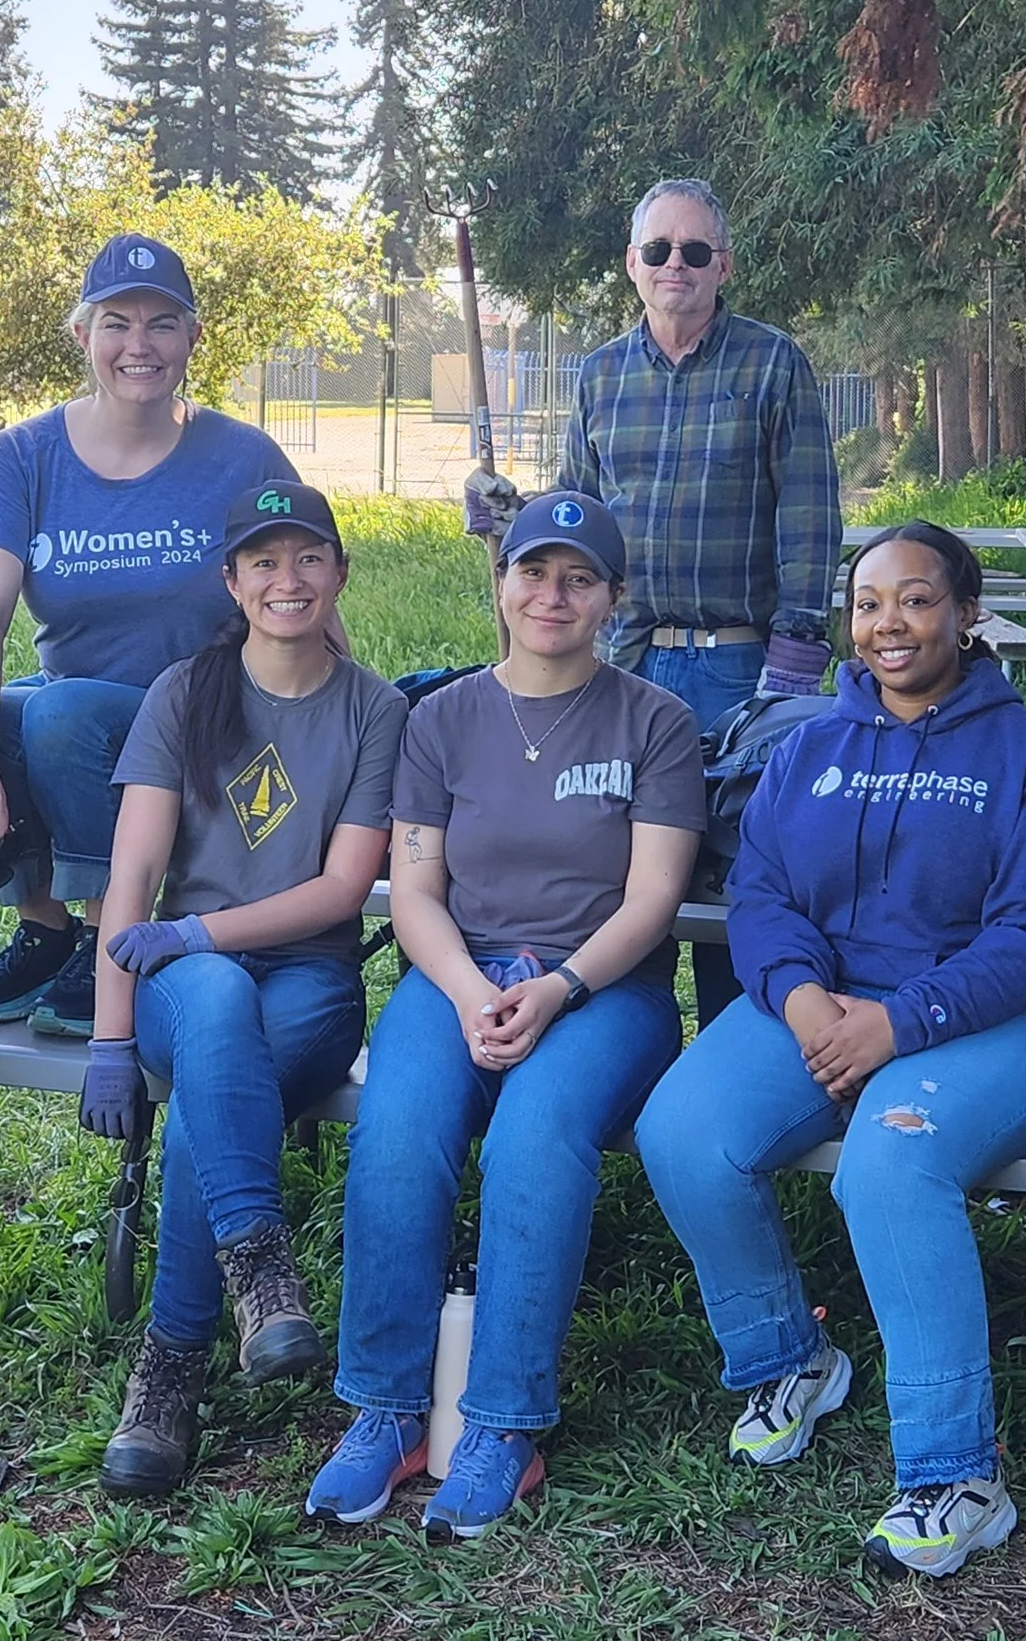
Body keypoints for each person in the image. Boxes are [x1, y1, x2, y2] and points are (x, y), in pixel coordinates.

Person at [634, 521, 1026, 1580]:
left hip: (991, 1027)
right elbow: (760, 895)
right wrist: (799, 1002)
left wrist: (899, 1025)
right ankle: (788, 1358)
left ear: (969, 614)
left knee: (890, 1163)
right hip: (820, 1008)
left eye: (919, 599)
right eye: (869, 602)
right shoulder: (808, 747)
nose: (890, 623)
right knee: (682, 1130)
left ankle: (955, 1475)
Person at [303, 492, 706, 1542]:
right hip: (458, 976)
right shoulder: (438, 719)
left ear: (613, 599)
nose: (552, 595)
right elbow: (416, 889)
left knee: (532, 1142)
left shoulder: (654, 721)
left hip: (604, 991)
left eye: (579, 577)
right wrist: (475, 991)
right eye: (534, 572)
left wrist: (558, 987)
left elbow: (653, 898)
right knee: (396, 1134)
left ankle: (503, 1424)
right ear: (501, 582)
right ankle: (386, 1410)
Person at [74, 480, 407, 1499]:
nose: (287, 579)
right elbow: (129, 884)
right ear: (231, 581)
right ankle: (259, 1272)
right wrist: (110, 1036)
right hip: (182, 981)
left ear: (339, 574)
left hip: (310, 976)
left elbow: (345, 887)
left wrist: (199, 926)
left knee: (199, 1120)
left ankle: (169, 1372)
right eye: (263, 561)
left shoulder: (375, 708)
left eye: (308, 557)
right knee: (213, 1000)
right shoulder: (186, 691)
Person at [470, 177, 839, 1019]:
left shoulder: (773, 364)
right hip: (625, 663)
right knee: (615, 855)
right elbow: (575, 521)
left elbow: (811, 515)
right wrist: (508, 512)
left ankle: (727, 1053)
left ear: (724, 266)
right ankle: (616, 1036)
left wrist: (793, 662)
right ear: (633, 262)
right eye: (660, 249)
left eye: (696, 250)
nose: (678, 264)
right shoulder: (599, 377)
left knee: (742, 868)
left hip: (742, 664)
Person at [0, 234, 297, 1037]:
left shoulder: (243, 456)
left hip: (212, 717)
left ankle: (111, 941)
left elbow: (306, 595)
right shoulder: (23, 456)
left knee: (62, 720)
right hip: (84, 702)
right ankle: (46, 931)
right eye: (117, 323)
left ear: (194, 337)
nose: (140, 345)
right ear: (81, 336)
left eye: (163, 323)